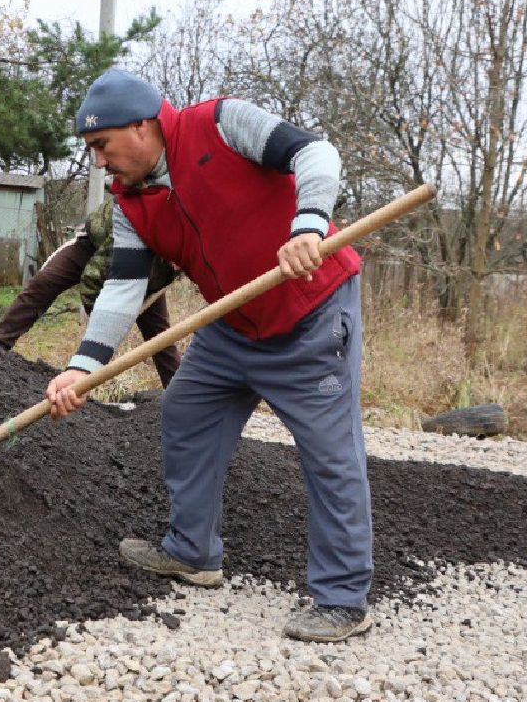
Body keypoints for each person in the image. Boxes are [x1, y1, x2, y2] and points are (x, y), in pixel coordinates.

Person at [45, 69, 373, 643]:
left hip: (311, 314)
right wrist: (83, 366)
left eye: (102, 146)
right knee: (187, 413)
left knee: (329, 454)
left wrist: (309, 223)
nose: (98, 162)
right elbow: (124, 286)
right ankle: (193, 551)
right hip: (232, 323)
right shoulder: (130, 200)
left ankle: (343, 597)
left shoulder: (221, 124)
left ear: (142, 127)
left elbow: (315, 152)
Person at [0, 197, 182, 387]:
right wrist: (102, 322)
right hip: (91, 246)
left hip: (147, 277)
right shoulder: (140, 220)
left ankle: (180, 393)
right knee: (43, 284)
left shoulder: (183, 248)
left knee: (160, 336)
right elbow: (93, 279)